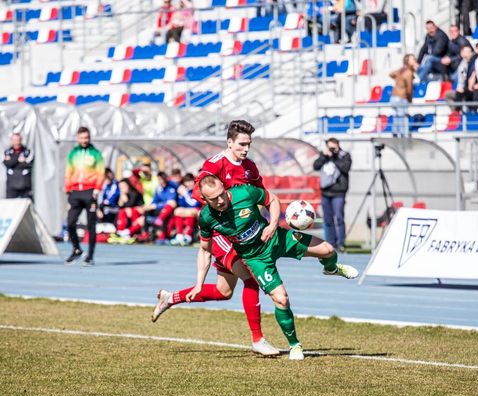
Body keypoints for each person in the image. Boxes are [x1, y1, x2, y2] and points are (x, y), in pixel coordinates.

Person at [153, 176, 359, 360]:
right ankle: (295, 345)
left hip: (277, 238)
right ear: (205, 200)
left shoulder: (244, 192)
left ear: (224, 188)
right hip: (256, 258)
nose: (220, 200)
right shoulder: (206, 217)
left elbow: (273, 200)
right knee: (281, 298)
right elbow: (205, 251)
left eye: (221, 194)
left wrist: (272, 225)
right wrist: (199, 283)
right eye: (214, 199)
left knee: (327, 250)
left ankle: (331, 268)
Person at [151, 120, 279, 357]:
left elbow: (259, 196)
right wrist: (223, 208)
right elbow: (199, 192)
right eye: (241, 144)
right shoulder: (214, 164)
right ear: (229, 142)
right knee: (251, 279)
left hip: (241, 232)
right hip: (221, 234)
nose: (246, 149)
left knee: (223, 291)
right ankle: (258, 339)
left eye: (249, 144)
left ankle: (171, 298)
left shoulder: (250, 166)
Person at [64, 127, 105, 266]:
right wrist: (68, 189)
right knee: (70, 222)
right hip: (75, 192)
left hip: (90, 191)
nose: (84, 140)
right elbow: (68, 172)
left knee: (91, 225)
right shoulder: (73, 153)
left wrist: (97, 189)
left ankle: (90, 256)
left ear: (89, 138)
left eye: (86, 137)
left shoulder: (95, 153)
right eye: (81, 138)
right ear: (77, 138)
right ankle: (77, 249)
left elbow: (100, 172)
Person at [313, 138, 352, 253]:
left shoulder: (344, 156)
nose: (331, 149)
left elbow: (345, 168)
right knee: (328, 219)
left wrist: (334, 157)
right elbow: (316, 166)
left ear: (338, 146)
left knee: (339, 218)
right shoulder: (324, 156)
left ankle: (340, 244)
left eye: (333, 147)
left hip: (339, 192)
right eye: (329, 147)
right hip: (325, 193)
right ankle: (331, 244)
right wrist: (324, 156)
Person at [109, 178, 144, 244]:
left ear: (128, 185)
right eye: (120, 187)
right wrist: (122, 195)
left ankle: (126, 233)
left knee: (127, 211)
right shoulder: (122, 194)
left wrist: (125, 198)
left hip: (136, 214)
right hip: (126, 215)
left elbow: (131, 205)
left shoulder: (134, 193)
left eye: (123, 186)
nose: (122, 188)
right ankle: (120, 232)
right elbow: (120, 205)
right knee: (121, 212)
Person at [389, 54, 417, 138]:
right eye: (413, 59)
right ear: (408, 61)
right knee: (403, 117)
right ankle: (404, 136)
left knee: (396, 117)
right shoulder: (408, 73)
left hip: (394, 96)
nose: (415, 60)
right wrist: (410, 99)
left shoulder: (401, 71)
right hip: (401, 97)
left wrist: (399, 78)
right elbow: (409, 88)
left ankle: (395, 134)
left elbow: (391, 74)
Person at [170, 173, 200, 246]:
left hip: (197, 210)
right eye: (186, 182)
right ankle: (179, 236)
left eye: (190, 181)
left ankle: (187, 237)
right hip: (187, 211)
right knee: (178, 212)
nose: (189, 184)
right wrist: (181, 195)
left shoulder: (197, 190)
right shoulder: (185, 191)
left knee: (189, 213)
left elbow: (194, 204)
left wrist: (185, 194)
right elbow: (182, 204)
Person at [3, 133, 33, 199]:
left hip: (25, 185)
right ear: (11, 141)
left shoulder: (27, 151)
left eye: (18, 140)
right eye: (14, 140)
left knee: (27, 203)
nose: (16, 142)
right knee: (10, 203)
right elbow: (7, 164)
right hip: (12, 185)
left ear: (21, 140)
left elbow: (29, 164)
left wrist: (12, 160)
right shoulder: (7, 152)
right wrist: (18, 159)